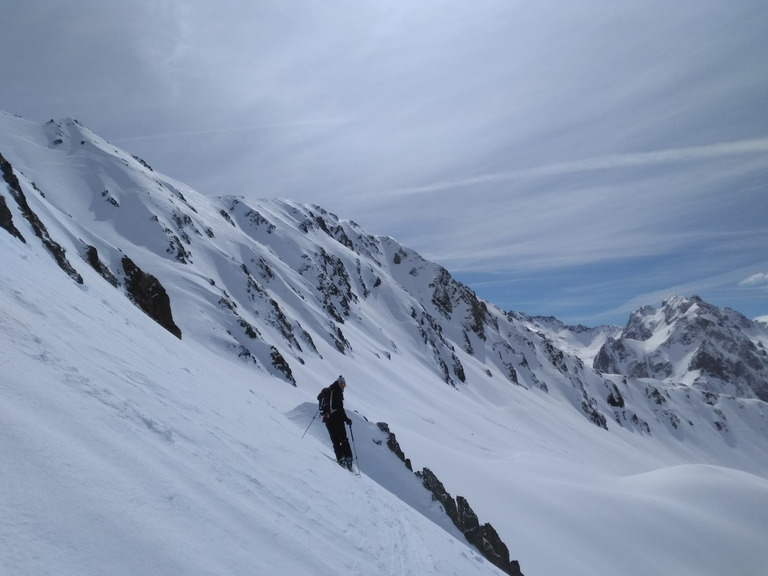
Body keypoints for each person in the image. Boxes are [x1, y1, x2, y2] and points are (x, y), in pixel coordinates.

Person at [320, 375, 353, 470]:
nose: (343, 386)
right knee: (343, 439)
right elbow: (340, 409)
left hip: (327, 419)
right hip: (337, 419)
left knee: (335, 441)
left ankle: (340, 459)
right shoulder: (337, 392)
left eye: (344, 384)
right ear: (339, 383)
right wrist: (347, 420)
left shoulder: (329, 390)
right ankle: (348, 460)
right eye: (342, 384)